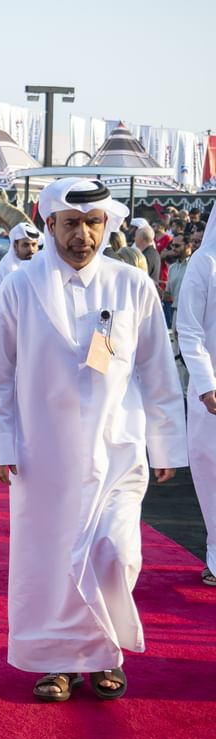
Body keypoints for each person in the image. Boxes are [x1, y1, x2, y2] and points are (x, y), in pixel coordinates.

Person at [0, 178, 187, 703]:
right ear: (50, 225)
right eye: (71, 224)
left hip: (117, 450)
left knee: (116, 553)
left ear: (107, 225)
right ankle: (58, 661)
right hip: (42, 456)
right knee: (49, 564)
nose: (83, 235)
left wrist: (165, 446)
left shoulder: (132, 286)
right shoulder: (20, 287)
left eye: (93, 223)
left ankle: (103, 646)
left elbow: (158, 373)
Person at [175, 212, 216, 586]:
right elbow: (188, 328)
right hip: (212, 395)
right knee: (212, 470)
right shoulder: (204, 263)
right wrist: (205, 383)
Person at [0, 222, 40, 311]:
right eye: (26, 245)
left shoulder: (40, 271)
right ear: (15, 246)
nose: (31, 249)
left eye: (34, 244)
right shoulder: (1, 274)